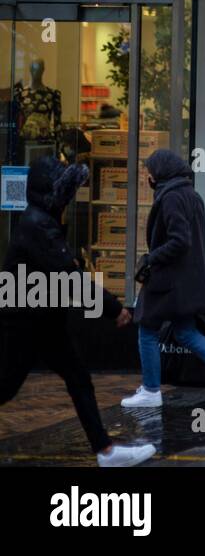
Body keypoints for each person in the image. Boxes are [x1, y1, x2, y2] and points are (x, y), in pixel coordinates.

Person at [0, 157, 155, 466]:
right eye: (66, 193)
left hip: (42, 320)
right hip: (24, 323)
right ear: (52, 194)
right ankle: (105, 451)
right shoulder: (38, 226)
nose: (70, 200)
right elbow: (70, 278)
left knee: (78, 379)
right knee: (6, 386)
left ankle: (105, 450)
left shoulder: (42, 222)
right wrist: (113, 309)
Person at [121, 149, 205, 408]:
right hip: (187, 281)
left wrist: (151, 258)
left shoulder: (171, 197)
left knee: (147, 329)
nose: (148, 177)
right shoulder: (192, 195)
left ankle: (151, 390)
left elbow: (180, 241)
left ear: (161, 172)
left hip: (166, 281)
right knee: (186, 331)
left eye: (150, 172)